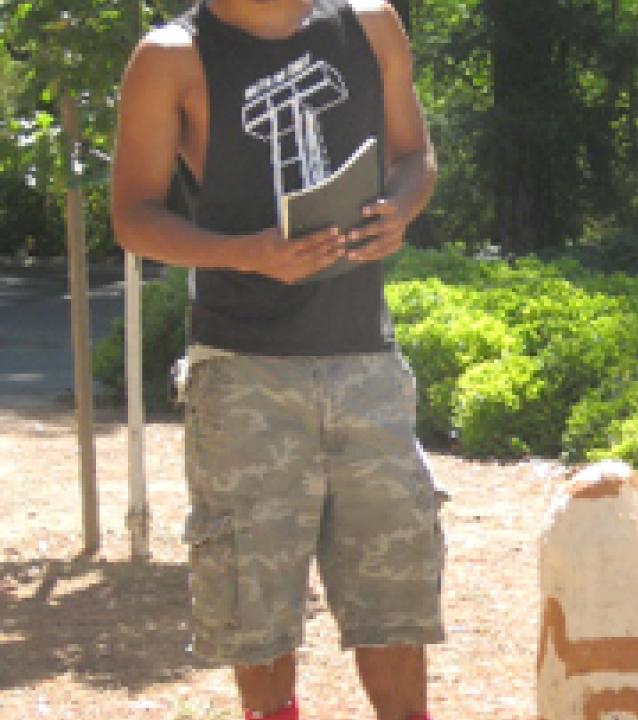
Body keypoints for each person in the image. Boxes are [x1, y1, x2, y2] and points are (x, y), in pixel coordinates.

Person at [110, 2, 445, 719]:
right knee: (253, 612)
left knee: (396, 605)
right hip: (243, 372)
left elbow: (415, 155)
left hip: (366, 365)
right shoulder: (171, 57)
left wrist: (399, 209)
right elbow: (132, 215)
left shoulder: (371, 24)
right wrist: (245, 253)